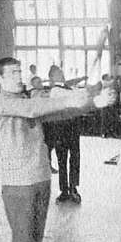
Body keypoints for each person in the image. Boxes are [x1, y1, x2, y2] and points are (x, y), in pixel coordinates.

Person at [0, 57, 115, 242]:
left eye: (20, 71)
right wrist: (73, 97)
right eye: (12, 73)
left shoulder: (27, 100)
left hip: (41, 178)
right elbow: (34, 108)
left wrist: (93, 103)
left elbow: (57, 113)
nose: (19, 76)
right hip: (17, 184)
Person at [46, 65, 82, 203]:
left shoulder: (69, 89)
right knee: (62, 160)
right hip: (60, 128)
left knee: (75, 157)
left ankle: (73, 188)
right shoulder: (55, 91)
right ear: (52, 77)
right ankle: (64, 190)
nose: (62, 75)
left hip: (73, 126)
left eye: (62, 72)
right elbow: (74, 97)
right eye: (58, 73)